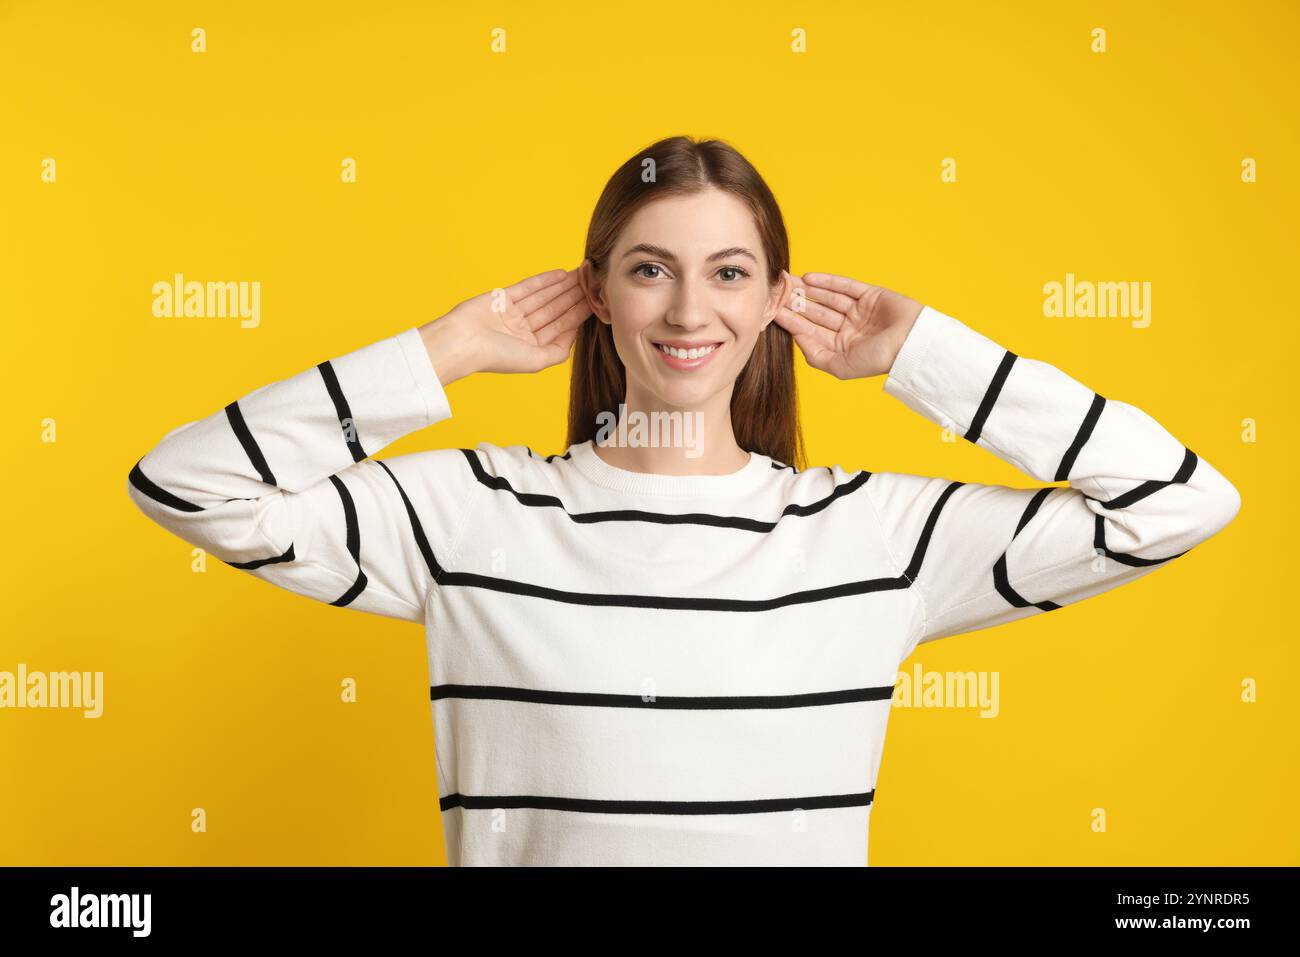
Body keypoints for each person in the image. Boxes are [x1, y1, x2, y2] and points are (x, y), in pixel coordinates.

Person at [126, 135, 1241, 866]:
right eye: (650, 268)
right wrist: (449, 348)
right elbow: (188, 482)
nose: (686, 309)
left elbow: (1174, 502)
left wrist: (927, 357)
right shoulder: (466, 515)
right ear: (597, 296)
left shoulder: (874, 539)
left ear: (773, 301)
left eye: (727, 272)